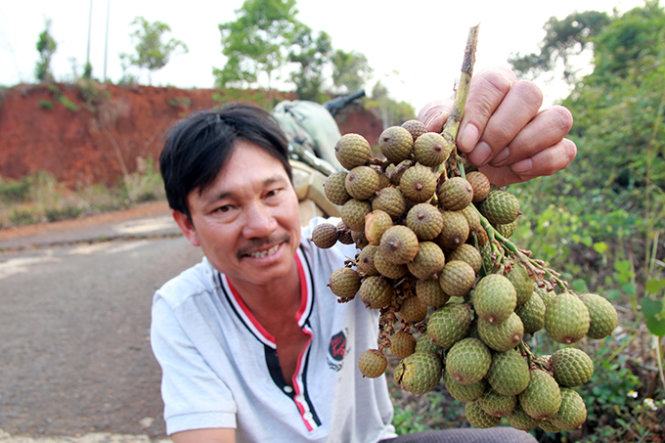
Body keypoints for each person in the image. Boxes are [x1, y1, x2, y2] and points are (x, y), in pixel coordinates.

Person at [151, 68, 575, 443]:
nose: (261, 224)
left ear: (293, 187)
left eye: (272, 192)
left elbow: (435, 269)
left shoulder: (362, 254)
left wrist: (467, 161)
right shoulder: (183, 309)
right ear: (186, 223)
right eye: (225, 207)